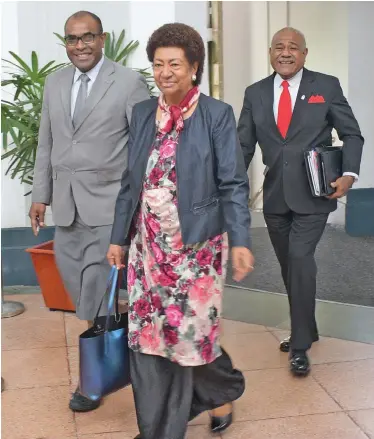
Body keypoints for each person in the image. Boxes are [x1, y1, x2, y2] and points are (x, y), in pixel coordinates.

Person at [107, 23, 254, 439]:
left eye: (174, 63)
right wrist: (119, 238)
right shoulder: (141, 114)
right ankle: (159, 428)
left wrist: (240, 240)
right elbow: (129, 182)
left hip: (196, 250)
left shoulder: (216, 115)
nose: (165, 72)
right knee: (150, 338)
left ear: (194, 68)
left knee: (190, 336)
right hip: (148, 250)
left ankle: (218, 393)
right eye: (158, 64)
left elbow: (233, 183)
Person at [29, 10, 149, 412]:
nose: (79, 45)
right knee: (79, 290)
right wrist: (39, 195)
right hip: (66, 206)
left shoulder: (129, 82)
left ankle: (94, 381)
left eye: (88, 37)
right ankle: (123, 354)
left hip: (109, 204)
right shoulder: (54, 81)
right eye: (72, 39)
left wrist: (137, 203)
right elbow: (46, 142)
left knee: (99, 290)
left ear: (103, 39)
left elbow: (142, 147)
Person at [238, 27, 364, 376]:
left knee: (299, 257)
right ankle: (307, 325)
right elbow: (244, 146)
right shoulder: (256, 93)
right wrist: (229, 186)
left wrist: (349, 174)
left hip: (315, 192)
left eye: (293, 47)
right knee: (289, 267)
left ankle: (300, 344)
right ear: (270, 52)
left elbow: (351, 133)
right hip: (276, 194)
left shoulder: (325, 86)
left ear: (305, 54)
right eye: (279, 47)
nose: (286, 52)